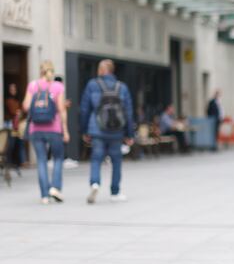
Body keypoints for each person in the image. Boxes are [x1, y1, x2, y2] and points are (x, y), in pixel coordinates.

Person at [79, 59, 135, 203]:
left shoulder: (92, 85)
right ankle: (115, 192)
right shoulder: (121, 87)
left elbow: (85, 109)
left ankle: (95, 183)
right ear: (112, 71)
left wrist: (84, 130)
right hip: (116, 131)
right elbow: (128, 112)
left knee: (96, 158)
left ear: (102, 70)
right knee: (116, 160)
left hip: (97, 129)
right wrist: (129, 134)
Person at [21, 61, 69, 203]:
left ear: (40, 71)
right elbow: (61, 110)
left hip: (36, 128)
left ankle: (44, 196)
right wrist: (65, 130)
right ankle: (55, 187)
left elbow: (25, 106)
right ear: (52, 72)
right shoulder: (57, 86)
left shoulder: (33, 85)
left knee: (41, 160)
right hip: (54, 128)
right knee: (58, 158)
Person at [4, 82, 26, 168]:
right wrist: (18, 112)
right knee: (11, 144)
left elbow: (22, 111)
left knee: (20, 143)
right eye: (11, 89)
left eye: (14, 89)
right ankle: (9, 162)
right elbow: (13, 111)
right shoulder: (7, 100)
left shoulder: (19, 100)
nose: (13, 91)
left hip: (19, 125)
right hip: (10, 124)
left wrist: (19, 113)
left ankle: (21, 162)